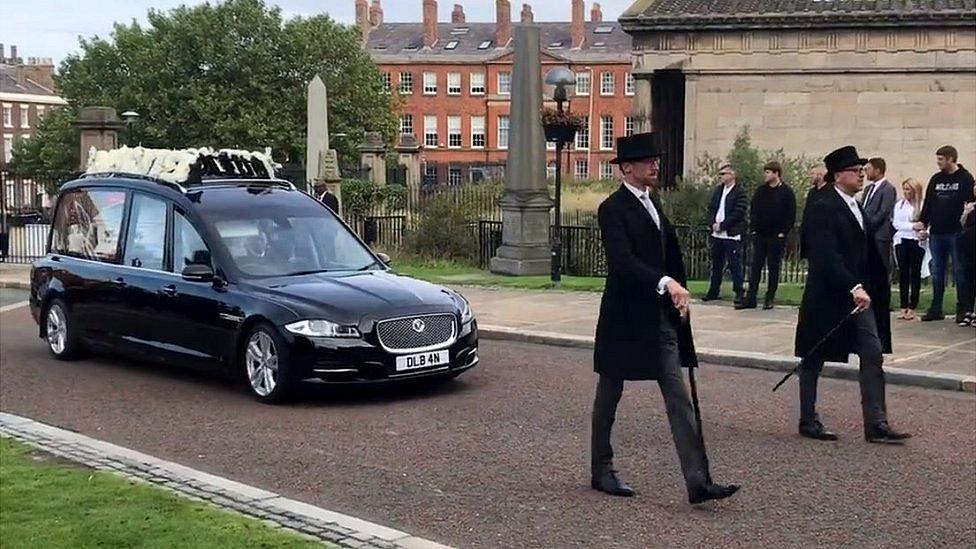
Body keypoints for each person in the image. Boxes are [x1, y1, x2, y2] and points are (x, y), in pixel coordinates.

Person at [591, 132, 739, 504]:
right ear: (626, 168)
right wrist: (665, 282)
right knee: (609, 395)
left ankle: (698, 481)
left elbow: (667, 257)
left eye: (655, 159)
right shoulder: (613, 209)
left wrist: (677, 292)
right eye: (647, 160)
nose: (655, 165)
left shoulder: (653, 204)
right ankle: (601, 470)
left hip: (661, 320)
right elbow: (623, 263)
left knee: (679, 397)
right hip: (625, 318)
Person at [794, 145, 910, 444]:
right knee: (813, 356)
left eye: (862, 171)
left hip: (860, 298)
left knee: (872, 353)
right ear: (838, 175)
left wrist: (871, 284)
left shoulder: (857, 205)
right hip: (829, 295)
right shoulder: (823, 206)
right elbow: (825, 254)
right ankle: (808, 419)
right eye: (855, 171)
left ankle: (877, 425)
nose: (861, 176)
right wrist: (851, 285)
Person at [913, 145, 975, 323]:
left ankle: (963, 310)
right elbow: (929, 203)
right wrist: (923, 223)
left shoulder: (965, 178)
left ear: (950, 159)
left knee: (960, 271)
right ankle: (936, 308)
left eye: (941, 159)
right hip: (937, 233)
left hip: (957, 233)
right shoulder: (936, 179)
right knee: (937, 271)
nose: (938, 162)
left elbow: (970, 205)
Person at [739, 160, 796, 310]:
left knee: (773, 268)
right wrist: (754, 229)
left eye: (768, 172)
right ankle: (751, 298)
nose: (765, 175)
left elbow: (790, 214)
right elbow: (754, 210)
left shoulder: (786, 192)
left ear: (776, 173)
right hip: (760, 235)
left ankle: (769, 297)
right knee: (755, 267)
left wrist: (783, 232)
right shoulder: (761, 191)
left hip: (776, 237)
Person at [702, 163, 748, 304]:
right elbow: (711, 208)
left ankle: (739, 291)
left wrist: (723, 225)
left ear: (732, 175)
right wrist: (712, 224)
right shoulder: (718, 190)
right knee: (716, 264)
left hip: (731, 234)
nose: (721, 177)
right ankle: (713, 291)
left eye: (724, 174)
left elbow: (738, 212)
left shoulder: (740, 192)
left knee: (735, 264)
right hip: (717, 234)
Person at [893, 179, 927, 321]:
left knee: (915, 273)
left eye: (909, 189)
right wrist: (911, 226)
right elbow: (896, 223)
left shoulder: (923, 205)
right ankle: (903, 306)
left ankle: (912, 306)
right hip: (902, 240)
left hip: (916, 242)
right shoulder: (899, 205)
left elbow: (926, 223)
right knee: (903, 273)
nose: (906, 192)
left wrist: (925, 232)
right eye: (904, 189)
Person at [861, 158, 897, 275]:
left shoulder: (888, 189)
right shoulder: (868, 189)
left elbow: (884, 211)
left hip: (880, 235)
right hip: (866, 234)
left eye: (868, 169)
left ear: (878, 170)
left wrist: (869, 225)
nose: (866, 172)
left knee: (880, 266)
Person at [800, 163, 829, 260]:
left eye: (812, 174)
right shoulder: (812, 193)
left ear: (820, 175)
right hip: (810, 238)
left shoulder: (831, 192)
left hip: (824, 239)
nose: (810, 176)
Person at [960, 200, 976, 326]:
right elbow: (962, 223)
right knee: (968, 279)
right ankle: (968, 311)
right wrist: (966, 212)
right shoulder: (970, 205)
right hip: (968, 245)